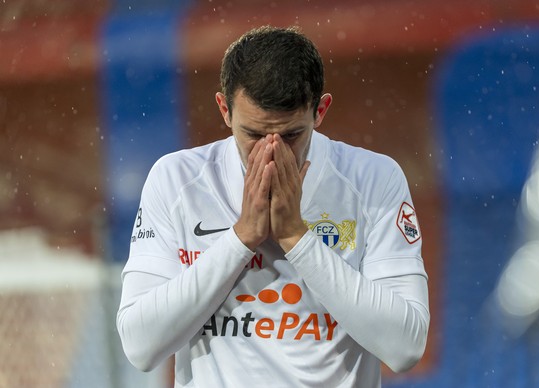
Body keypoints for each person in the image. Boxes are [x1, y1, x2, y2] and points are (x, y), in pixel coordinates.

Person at [117, 25, 429, 388]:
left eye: (291, 136)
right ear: (224, 110)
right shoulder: (177, 181)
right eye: (253, 135)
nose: (271, 153)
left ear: (320, 111)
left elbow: (405, 348)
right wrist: (241, 238)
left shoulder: (373, 179)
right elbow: (141, 347)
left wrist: (297, 237)